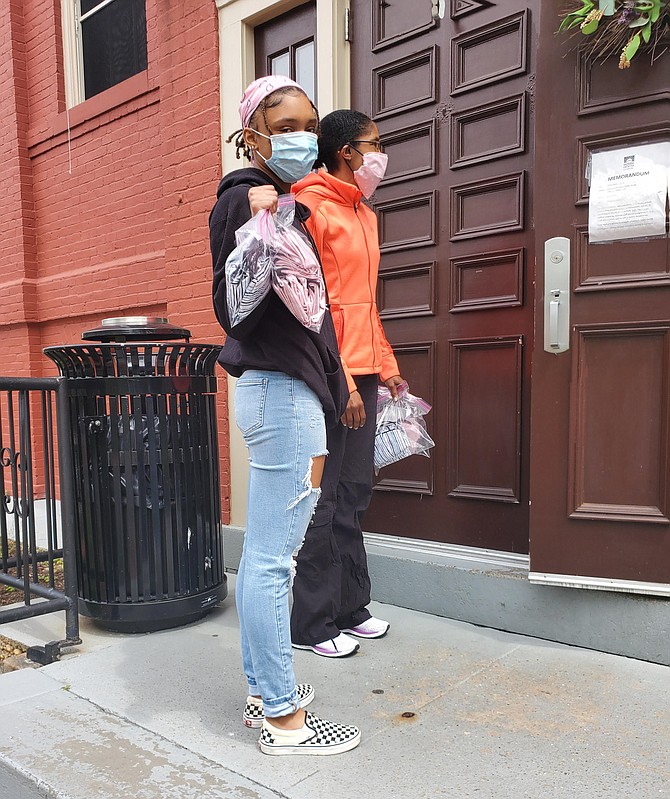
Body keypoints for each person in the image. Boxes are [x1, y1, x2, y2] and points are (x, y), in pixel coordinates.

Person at [209, 76, 361, 755]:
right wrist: (253, 215)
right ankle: (282, 717)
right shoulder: (247, 199)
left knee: (271, 558)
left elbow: (314, 322)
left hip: (290, 395)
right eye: (289, 123)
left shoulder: (291, 205)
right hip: (281, 396)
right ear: (253, 137)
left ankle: (261, 691)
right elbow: (229, 307)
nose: (306, 135)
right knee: (275, 561)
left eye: (311, 121)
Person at [290, 110, 404, 658]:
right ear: (344, 151)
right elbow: (314, 307)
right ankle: (311, 623)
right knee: (325, 497)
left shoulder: (367, 214)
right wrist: (347, 384)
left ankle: (350, 607)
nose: (380, 154)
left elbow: (365, 303)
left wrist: (385, 366)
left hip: (362, 369)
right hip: (330, 372)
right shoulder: (308, 206)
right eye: (373, 144)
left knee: (355, 493)